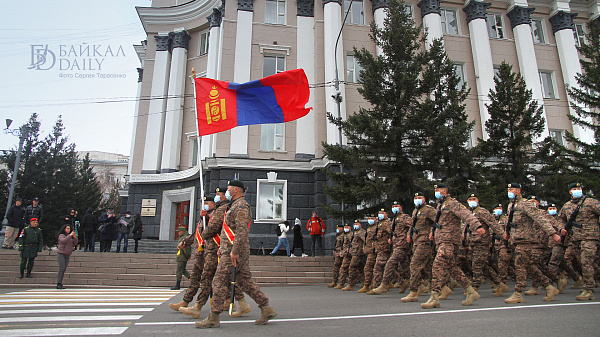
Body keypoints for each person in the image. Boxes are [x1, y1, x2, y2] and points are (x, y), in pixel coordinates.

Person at [196, 180, 276, 329]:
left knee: (218, 282)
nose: (227, 191)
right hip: (231, 250)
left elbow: (241, 231)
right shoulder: (233, 206)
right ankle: (266, 308)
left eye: (228, 189)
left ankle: (213, 317)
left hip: (235, 252)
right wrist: (223, 247)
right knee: (245, 282)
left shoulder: (241, 206)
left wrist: (233, 251)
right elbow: (229, 231)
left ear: (236, 190)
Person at [179, 191, 247, 319]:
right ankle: (193, 304)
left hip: (216, 250)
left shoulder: (222, 210)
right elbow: (196, 234)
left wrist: (205, 231)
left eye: (207, 203)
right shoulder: (213, 213)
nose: (205, 205)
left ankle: (202, 308)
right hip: (208, 251)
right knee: (215, 279)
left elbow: (212, 228)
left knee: (212, 279)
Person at [422, 183, 484, 309]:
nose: (436, 191)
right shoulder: (441, 205)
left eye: (438, 189)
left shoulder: (452, 203)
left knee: (437, 266)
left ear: (444, 190)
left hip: (449, 241)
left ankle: (434, 297)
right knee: (452, 269)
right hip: (442, 240)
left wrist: (477, 226)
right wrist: (432, 234)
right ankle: (471, 292)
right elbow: (439, 223)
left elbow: (465, 214)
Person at [503, 183, 561, 304]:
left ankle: (518, 292)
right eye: (508, 189)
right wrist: (507, 233)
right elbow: (510, 221)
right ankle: (549, 287)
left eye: (512, 189)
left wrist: (552, 233)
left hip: (526, 239)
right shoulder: (511, 205)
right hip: (516, 239)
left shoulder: (526, 203)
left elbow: (540, 218)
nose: (509, 191)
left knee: (519, 265)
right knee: (528, 265)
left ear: (518, 191)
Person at [558, 182, 600, 301]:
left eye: (579, 188)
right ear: (570, 192)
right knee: (584, 263)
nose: (577, 190)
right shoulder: (566, 206)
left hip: (590, 237)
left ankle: (588, 289)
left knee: (587, 262)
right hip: (575, 239)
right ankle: (591, 282)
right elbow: (560, 218)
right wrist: (562, 229)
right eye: (574, 189)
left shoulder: (591, 202)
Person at [466, 193, 508, 296]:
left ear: (478, 200)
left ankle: (474, 289)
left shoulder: (482, 212)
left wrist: (503, 237)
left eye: (474, 199)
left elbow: (493, 224)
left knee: (476, 265)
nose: (472, 201)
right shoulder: (469, 213)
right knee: (483, 265)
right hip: (473, 243)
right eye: (470, 199)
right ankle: (499, 283)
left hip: (482, 242)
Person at [402, 192, 436, 302]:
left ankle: (414, 291)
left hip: (425, 241)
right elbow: (413, 225)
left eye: (419, 197)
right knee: (428, 267)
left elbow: (438, 222)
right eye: (415, 198)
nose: (417, 199)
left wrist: (432, 233)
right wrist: (409, 235)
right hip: (416, 241)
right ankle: (442, 288)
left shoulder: (429, 209)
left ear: (424, 199)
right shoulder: (416, 210)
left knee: (415, 264)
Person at [373, 202, 412, 294]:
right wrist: (391, 239)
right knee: (405, 267)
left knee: (390, 263)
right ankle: (411, 284)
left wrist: (408, 236)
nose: (395, 208)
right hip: (396, 245)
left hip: (402, 245)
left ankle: (384, 284)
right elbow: (393, 231)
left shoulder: (404, 217)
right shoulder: (395, 219)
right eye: (393, 206)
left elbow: (412, 226)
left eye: (397, 206)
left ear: (401, 207)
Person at [342, 220, 366, 291]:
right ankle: (364, 281)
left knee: (352, 267)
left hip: (358, 252)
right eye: (354, 224)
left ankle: (350, 284)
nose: (355, 225)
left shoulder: (361, 232)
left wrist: (365, 248)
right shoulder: (355, 233)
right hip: (354, 252)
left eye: (357, 223)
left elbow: (366, 241)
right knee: (361, 268)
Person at [358, 214, 378, 293]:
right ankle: (370, 284)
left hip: (374, 250)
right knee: (372, 268)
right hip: (368, 250)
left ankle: (368, 285)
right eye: (369, 218)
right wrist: (364, 247)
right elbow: (366, 240)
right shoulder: (369, 229)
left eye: (372, 218)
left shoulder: (377, 228)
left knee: (369, 268)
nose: (370, 219)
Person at [56, 224, 78, 289]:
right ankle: (59, 283)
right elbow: (63, 241)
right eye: (67, 228)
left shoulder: (70, 236)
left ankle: (60, 282)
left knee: (64, 268)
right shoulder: (61, 235)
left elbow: (74, 243)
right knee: (61, 268)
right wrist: (70, 235)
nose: (68, 230)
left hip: (67, 253)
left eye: (69, 228)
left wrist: (75, 237)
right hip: (61, 253)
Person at [335, 223, 353, 289]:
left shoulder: (351, 235)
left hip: (350, 253)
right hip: (344, 253)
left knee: (347, 268)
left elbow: (353, 244)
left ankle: (350, 284)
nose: (346, 228)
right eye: (345, 226)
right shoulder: (344, 235)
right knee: (344, 268)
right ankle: (341, 283)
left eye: (347, 226)